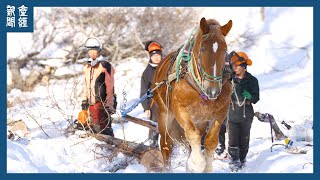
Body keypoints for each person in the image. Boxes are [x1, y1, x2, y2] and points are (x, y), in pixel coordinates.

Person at [227, 51, 259, 172]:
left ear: (244, 66)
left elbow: (256, 98)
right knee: (233, 138)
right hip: (232, 112)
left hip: (247, 113)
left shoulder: (252, 80)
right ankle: (234, 161)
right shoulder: (229, 80)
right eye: (233, 66)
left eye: (237, 66)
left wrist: (250, 96)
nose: (234, 68)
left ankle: (242, 158)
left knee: (244, 138)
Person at [81, 37, 116, 137]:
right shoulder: (87, 67)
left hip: (102, 103)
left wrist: (109, 105)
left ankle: (111, 148)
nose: (92, 53)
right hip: (90, 103)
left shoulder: (105, 66)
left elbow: (110, 87)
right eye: (90, 50)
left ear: (99, 50)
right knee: (92, 128)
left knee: (103, 129)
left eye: (94, 50)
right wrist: (84, 100)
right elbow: (86, 85)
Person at [140, 40, 163, 147]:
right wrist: (146, 107)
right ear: (150, 57)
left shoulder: (167, 66)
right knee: (154, 126)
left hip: (170, 102)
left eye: (158, 55)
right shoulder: (147, 72)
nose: (156, 57)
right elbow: (143, 91)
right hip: (155, 104)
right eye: (154, 56)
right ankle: (153, 147)